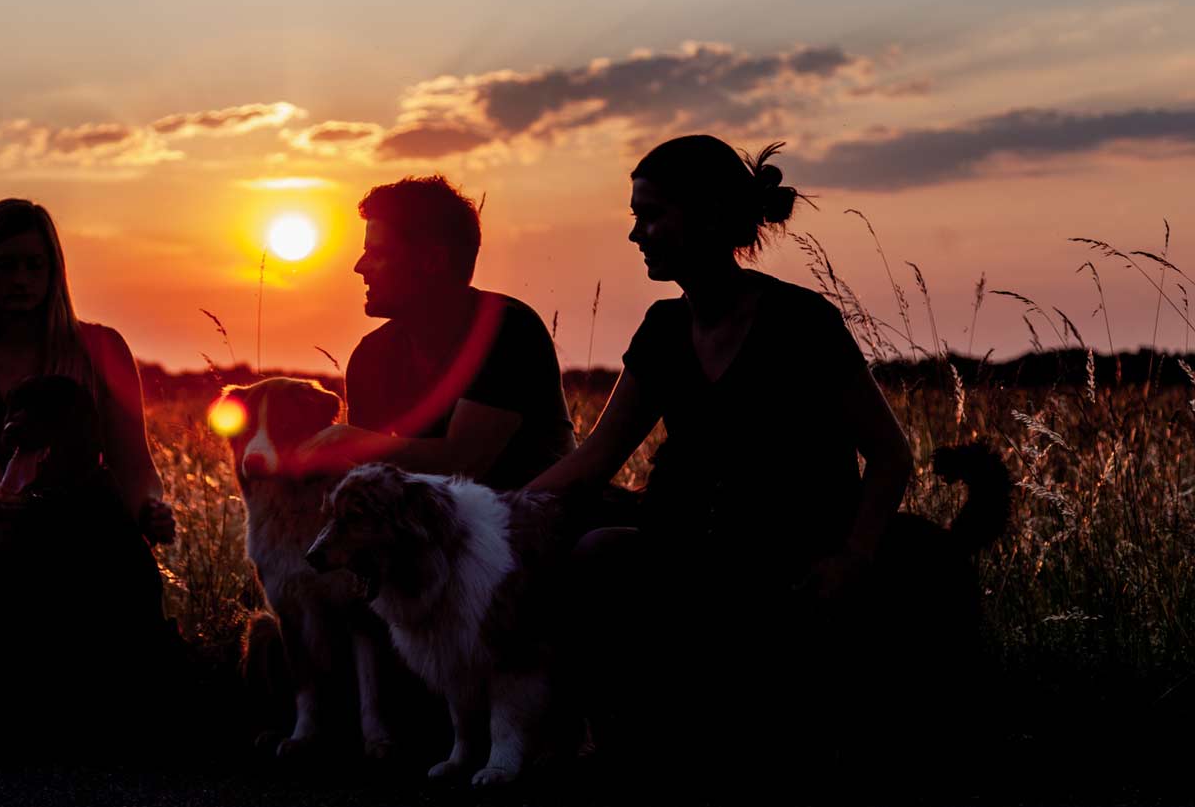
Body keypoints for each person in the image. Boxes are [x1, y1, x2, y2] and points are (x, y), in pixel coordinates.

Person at [526, 136, 914, 766]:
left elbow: (891, 455)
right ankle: (598, 732)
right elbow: (598, 456)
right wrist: (496, 508)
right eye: (635, 216)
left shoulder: (801, 321)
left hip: (784, 554)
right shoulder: (661, 329)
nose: (636, 234)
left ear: (708, 214)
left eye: (651, 215)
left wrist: (853, 559)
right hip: (684, 543)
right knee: (596, 549)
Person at [0, 198, 177, 728]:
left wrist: (151, 509)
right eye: (5, 265)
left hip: (91, 531)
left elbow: (135, 464)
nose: (21, 279)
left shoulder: (101, 347)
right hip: (12, 546)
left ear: (54, 270)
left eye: (35, 265)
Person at [299, 175, 575, 488]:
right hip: (439, 527)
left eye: (377, 253)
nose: (359, 267)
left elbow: (463, 463)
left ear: (432, 260)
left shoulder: (506, 329)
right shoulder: (371, 356)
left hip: (542, 522)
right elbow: (370, 480)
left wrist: (350, 440)